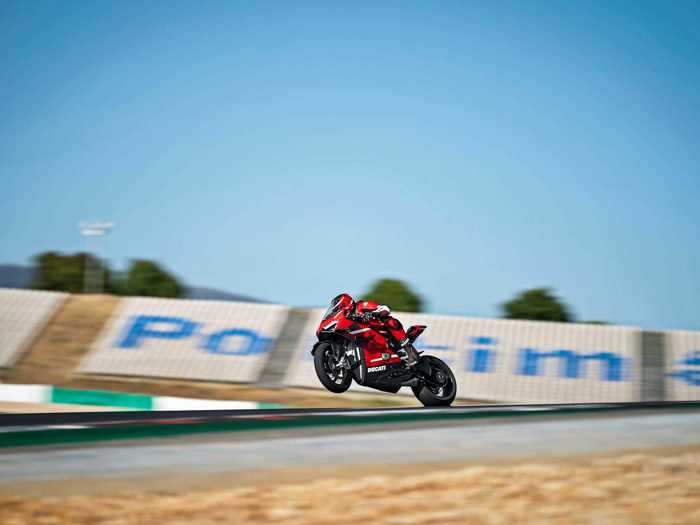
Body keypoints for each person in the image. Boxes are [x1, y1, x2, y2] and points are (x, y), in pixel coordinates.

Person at [353, 298, 418, 367]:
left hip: (380, 330)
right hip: (366, 338)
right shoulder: (347, 320)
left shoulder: (362, 305)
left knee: (391, 322)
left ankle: (410, 354)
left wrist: (374, 314)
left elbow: (385, 308)